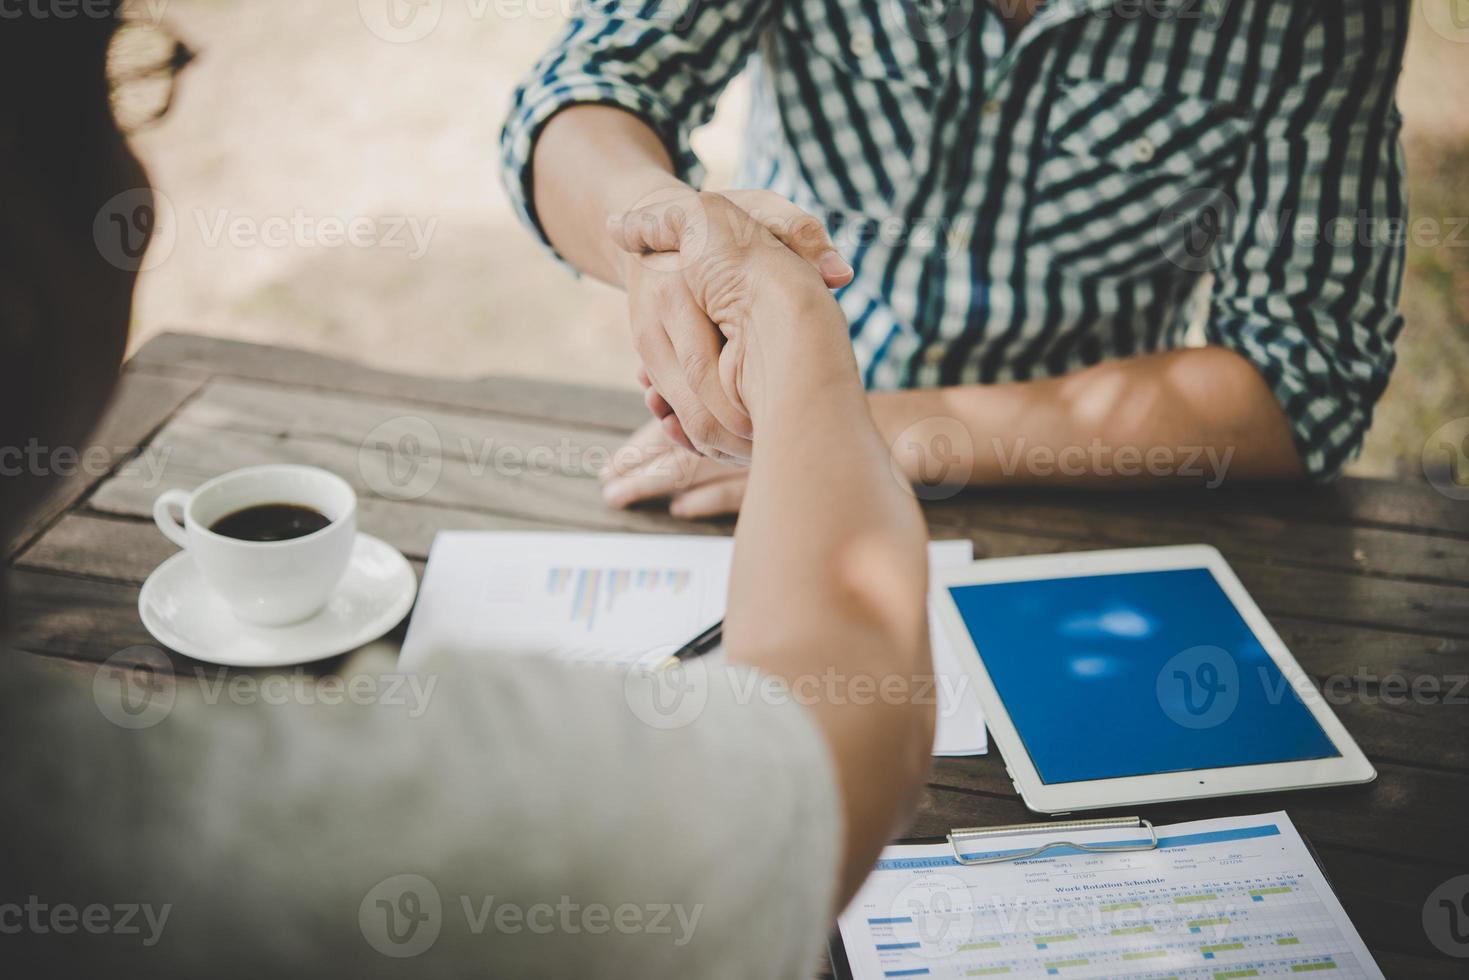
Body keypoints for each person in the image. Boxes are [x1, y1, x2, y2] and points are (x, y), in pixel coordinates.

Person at [0, 9, 933, 976]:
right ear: (24, 277)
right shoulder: (221, 830)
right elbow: (837, 738)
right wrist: (789, 320)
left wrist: (726, 277)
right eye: (116, 103)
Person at [503, 0, 1410, 516]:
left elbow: (1304, 376)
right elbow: (587, 86)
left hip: (1079, 486)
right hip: (753, 455)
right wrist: (658, 229)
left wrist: (852, 436)